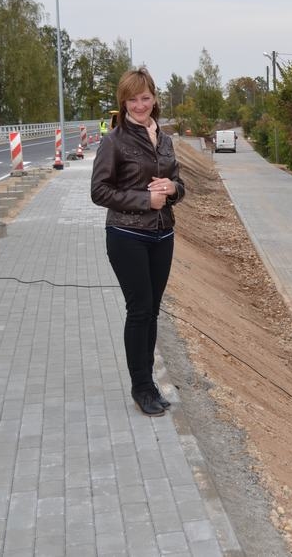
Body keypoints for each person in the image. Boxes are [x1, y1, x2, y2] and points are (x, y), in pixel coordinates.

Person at [91, 67, 185, 417]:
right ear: (124, 102)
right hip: (127, 235)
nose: (140, 104)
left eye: (145, 97)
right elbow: (99, 191)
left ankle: (149, 384)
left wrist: (173, 190)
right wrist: (146, 201)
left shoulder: (165, 140)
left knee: (153, 311)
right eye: (133, 98)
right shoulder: (114, 140)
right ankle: (141, 387)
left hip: (163, 234)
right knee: (140, 309)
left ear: (154, 98)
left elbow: (177, 184)